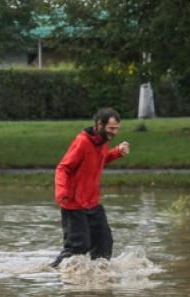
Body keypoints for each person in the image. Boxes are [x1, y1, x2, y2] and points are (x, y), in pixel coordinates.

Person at [50, 107, 131, 268]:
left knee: (104, 243)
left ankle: (97, 277)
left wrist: (117, 152)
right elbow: (63, 168)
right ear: (100, 124)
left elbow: (99, 159)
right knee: (78, 247)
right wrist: (62, 192)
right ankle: (51, 272)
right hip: (74, 203)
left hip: (92, 202)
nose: (114, 133)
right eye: (111, 128)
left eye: (116, 129)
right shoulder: (82, 142)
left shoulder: (102, 142)